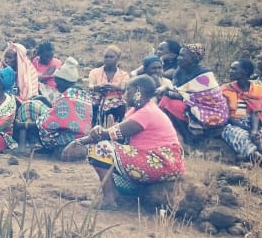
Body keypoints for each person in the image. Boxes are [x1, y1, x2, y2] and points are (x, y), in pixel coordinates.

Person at [63, 76, 186, 209]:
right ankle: (116, 195)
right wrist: (99, 132)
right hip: (157, 159)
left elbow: (109, 135)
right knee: (110, 153)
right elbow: (117, 136)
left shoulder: (146, 112)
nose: (124, 94)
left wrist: (79, 142)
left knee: (101, 148)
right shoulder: (139, 111)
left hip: (161, 162)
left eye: (128, 91)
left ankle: (109, 200)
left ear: (138, 91)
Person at [158, 44, 229, 140]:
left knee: (171, 103)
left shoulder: (204, 75)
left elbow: (199, 99)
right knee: (165, 100)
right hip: (191, 105)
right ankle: (171, 132)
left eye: (183, 56)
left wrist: (168, 92)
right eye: (179, 55)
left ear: (194, 59)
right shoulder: (180, 70)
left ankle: (189, 137)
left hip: (210, 110)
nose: (178, 58)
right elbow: (179, 91)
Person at [219, 58, 262, 165]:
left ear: (245, 71)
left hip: (254, 121)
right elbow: (226, 116)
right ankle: (257, 157)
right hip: (232, 123)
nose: (230, 71)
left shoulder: (258, 89)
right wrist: (247, 129)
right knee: (240, 135)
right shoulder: (225, 89)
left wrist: (254, 130)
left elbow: (257, 112)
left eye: (234, 69)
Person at [35, 58, 94, 155]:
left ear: (63, 82)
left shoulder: (65, 97)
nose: (56, 86)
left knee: (39, 122)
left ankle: (49, 150)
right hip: (84, 139)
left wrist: (35, 122)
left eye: (57, 82)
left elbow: (49, 123)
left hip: (70, 140)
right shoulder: (84, 95)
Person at [89, 45, 130, 125]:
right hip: (98, 99)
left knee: (119, 102)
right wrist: (98, 87)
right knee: (93, 101)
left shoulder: (124, 74)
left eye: (111, 57)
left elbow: (123, 88)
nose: (108, 59)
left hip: (116, 102)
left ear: (118, 59)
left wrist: (111, 86)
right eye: (106, 57)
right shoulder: (94, 72)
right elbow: (90, 86)